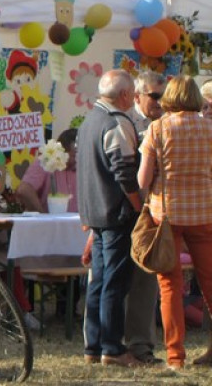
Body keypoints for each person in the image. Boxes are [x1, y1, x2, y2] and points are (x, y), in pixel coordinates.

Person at [136, 76, 212, 371]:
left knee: (169, 286)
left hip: (166, 216)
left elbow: (142, 179)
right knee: (209, 283)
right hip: (205, 214)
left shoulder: (158, 128)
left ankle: (175, 356)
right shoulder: (209, 128)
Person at [77, 69, 143, 368]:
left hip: (95, 212)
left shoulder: (89, 120)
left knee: (99, 282)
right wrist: (139, 206)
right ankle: (113, 348)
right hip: (116, 213)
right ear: (126, 95)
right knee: (114, 284)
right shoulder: (116, 122)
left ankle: (94, 346)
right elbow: (125, 172)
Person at [122, 70, 166, 365]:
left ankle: (141, 345)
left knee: (145, 280)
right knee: (112, 280)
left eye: (164, 96)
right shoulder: (124, 122)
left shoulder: (166, 124)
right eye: (155, 96)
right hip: (127, 209)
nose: (161, 102)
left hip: (152, 213)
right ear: (137, 96)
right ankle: (106, 345)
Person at [17, 128, 78, 213]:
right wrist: (42, 216)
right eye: (75, 155)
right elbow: (24, 190)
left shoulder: (83, 167)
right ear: (63, 151)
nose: (78, 159)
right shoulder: (46, 161)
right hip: (50, 224)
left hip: (76, 225)